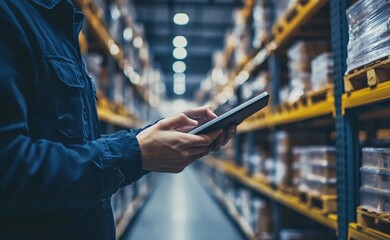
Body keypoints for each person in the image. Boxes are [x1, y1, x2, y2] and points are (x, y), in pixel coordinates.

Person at [0, 0, 236, 239]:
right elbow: (8, 169)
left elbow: (79, 146)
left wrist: (149, 137)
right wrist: (134, 154)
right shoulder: (10, 15)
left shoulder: (59, 27)